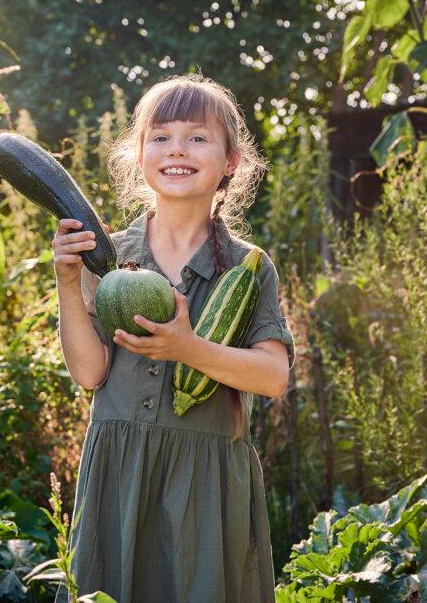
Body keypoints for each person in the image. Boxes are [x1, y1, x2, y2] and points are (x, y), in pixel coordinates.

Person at [51, 73, 295, 603]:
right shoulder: (107, 255)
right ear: (139, 156)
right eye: (160, 137)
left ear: (230, 160)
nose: (176, 150)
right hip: (120, 469)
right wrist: (69, 285)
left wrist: (190, 349)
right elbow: (90, 372)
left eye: (197, 137)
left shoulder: (246, 267)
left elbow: (274, 377)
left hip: (205, 480)